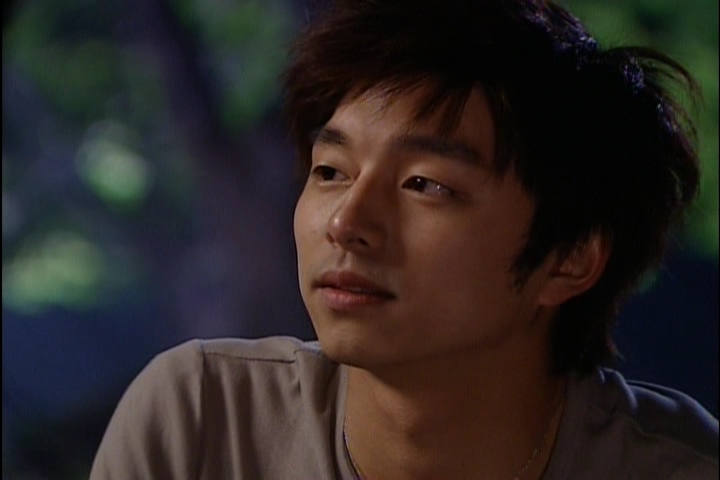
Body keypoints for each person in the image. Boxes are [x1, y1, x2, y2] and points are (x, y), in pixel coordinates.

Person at [90, 0, 718, 478]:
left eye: (425, 184)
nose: (346, 223)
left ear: (570, 257)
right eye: (330, 172)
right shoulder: (201, 422)